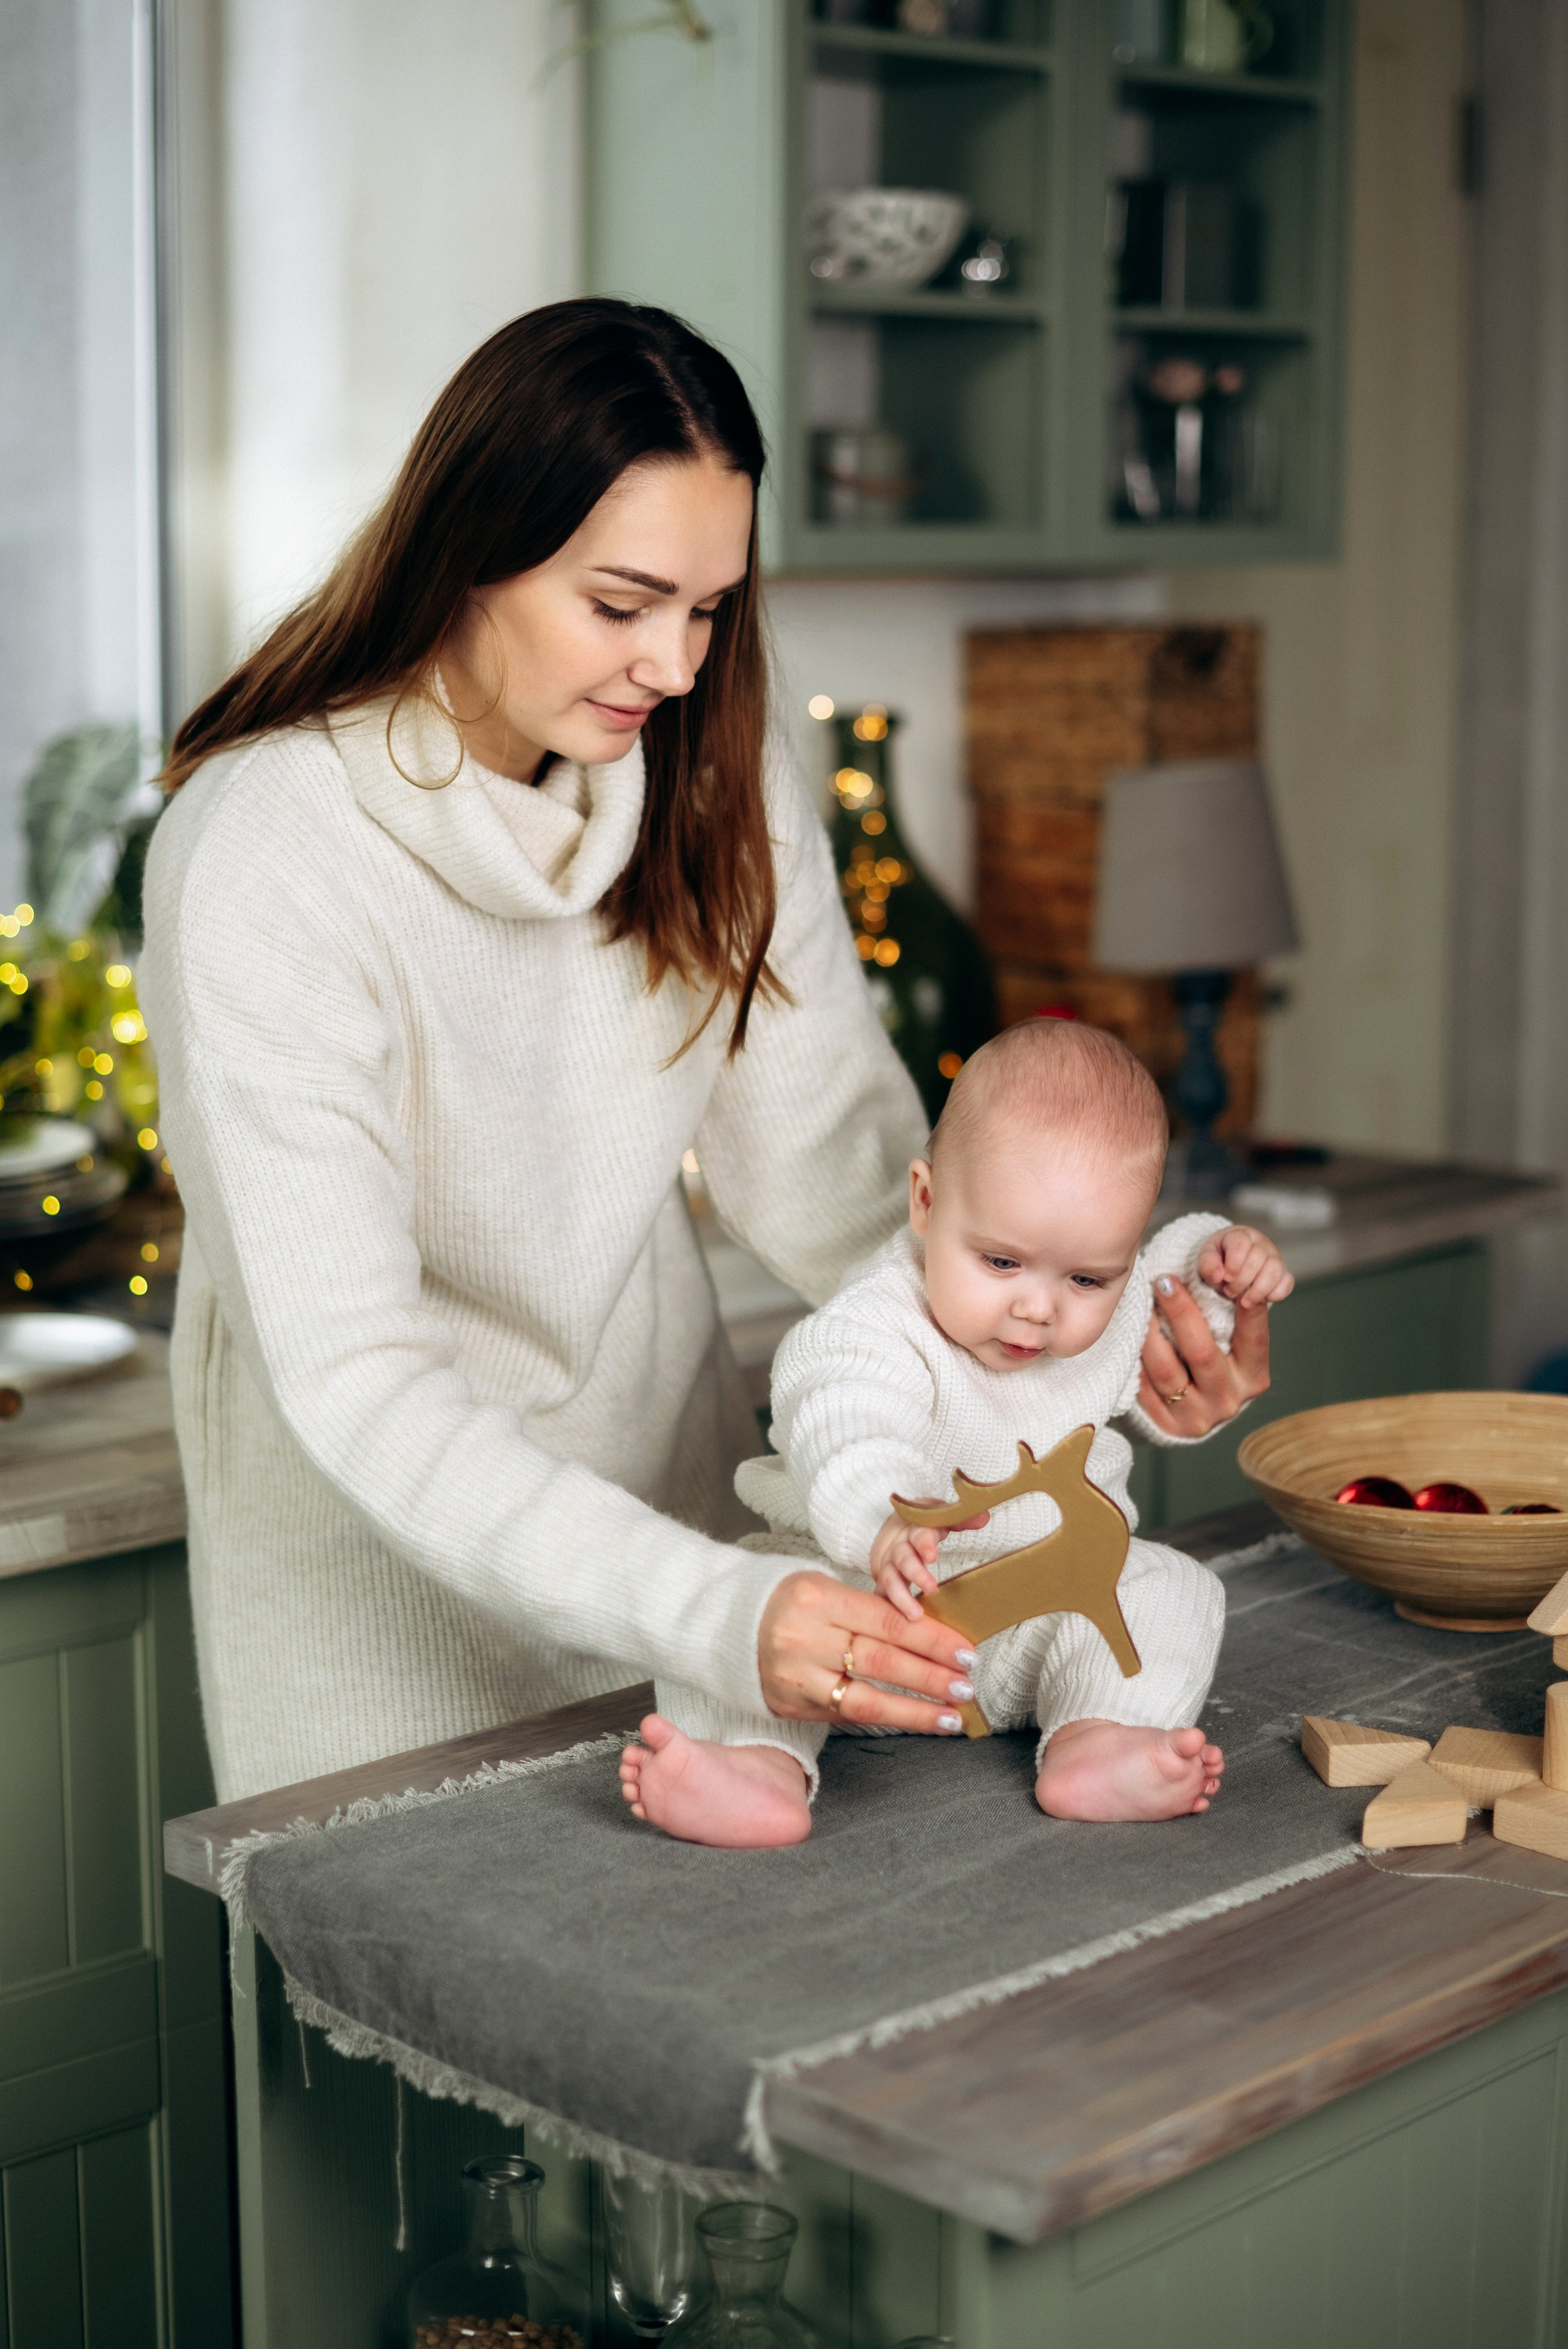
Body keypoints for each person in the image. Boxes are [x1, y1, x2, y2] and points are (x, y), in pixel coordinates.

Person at [141, 297, 1270, 1805]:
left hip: (707, 1612)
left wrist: (1104, 1329)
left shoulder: (709, 774)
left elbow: (866, 1196)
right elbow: (358, 1383)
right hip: (392, 1614)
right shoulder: (267, 849)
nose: (674, 665)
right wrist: (717, 1609)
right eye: (620, 604)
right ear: (468, 546)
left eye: (709, 608)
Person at [620, 1021, 1294, 1848]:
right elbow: (845, 1419)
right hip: (861, 1624)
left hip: (1030, 1634)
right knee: (742, 1591)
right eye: (1001, 1263)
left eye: (1087, 1276)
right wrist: (882, 1518)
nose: (1039, 1308)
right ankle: (754, 1765)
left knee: (1173, 1585)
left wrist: (1223, 1267)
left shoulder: (1108, 1316)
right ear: (927, 1201)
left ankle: (1099, 1735)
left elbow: (1172, 1294)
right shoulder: (874, 1320)